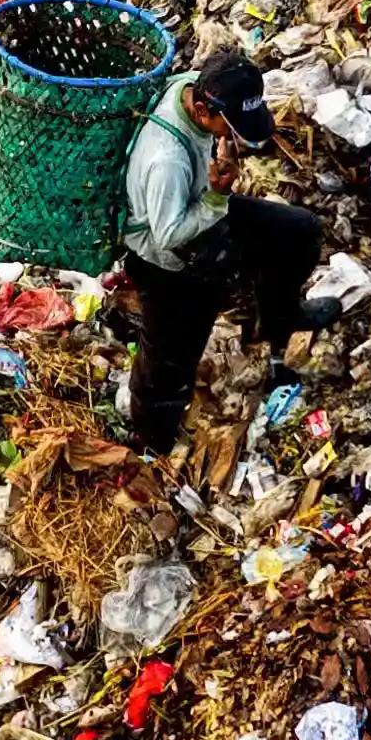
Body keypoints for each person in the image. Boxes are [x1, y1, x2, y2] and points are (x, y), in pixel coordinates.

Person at [104, 45, 337, 456]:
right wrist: (216, 194)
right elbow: (169, 234)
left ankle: (279, 319)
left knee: (298, 232)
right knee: (169, 361)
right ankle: (153, 440)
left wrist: (215, 186)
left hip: (203, 206)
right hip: (167, 257)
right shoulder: (166, 161)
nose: (230, 134)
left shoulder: (186, 86)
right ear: (202, 111)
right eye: (227, 125)